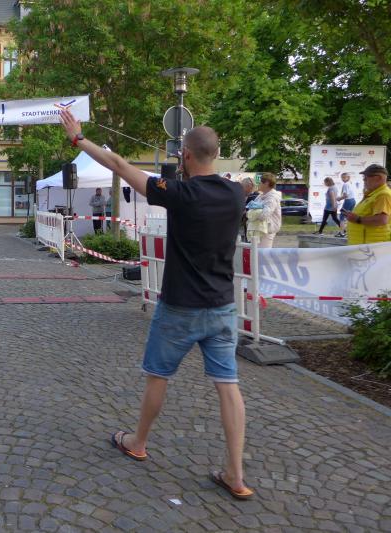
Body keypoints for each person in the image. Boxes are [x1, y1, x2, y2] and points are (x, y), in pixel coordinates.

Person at [59, 109, 253, 500]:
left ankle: (138, 442)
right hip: (221, 307)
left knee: (158, 376)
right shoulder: (235, 193)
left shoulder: (179, 193)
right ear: (216, 154)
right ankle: (236, 474)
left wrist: (78, 139)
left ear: (186, 155)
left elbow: (118, 164)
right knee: (228, 386)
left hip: (180, 306)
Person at [344, 164, 391, 245]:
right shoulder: (374, 194)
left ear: (378, 178)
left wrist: (357, 219)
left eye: (366, 177)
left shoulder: (383, 195)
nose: (364, 180)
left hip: (371, 247)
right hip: (365, 245)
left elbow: (381, 220)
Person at [251, 173, 282, 248]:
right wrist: (254, 211)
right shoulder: (260, 196)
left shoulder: (272, 198)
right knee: (255, 253)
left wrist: (253, 213)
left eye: (260, 182)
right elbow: (250, 208)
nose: (258, 184)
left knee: (262, 254)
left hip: (267, 231)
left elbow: (264, 215)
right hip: (258, 229)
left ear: (266, 183)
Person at [336, 172, 356, 238]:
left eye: (344, 177)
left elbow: (345, 195)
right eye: (342, 177)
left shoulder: (345, 184)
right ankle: (348, 231)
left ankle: (342, 233)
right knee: (348, 217)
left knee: (342, 216)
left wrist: (339, 198)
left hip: (348, 201)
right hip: (353, 200)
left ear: (348, 177)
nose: (343, 179)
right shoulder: (350, 183)